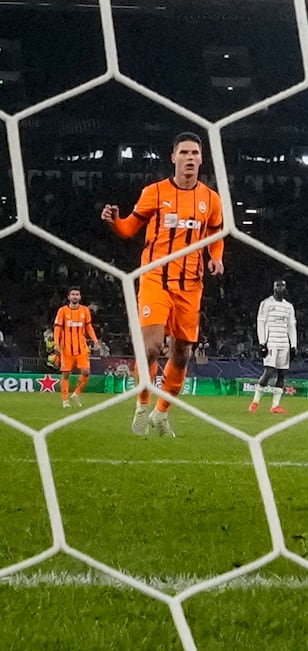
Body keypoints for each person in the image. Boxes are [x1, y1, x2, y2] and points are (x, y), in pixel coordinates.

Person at [101, 131, 225, 437]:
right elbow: (129, 229)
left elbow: (216, 233)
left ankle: (161, 413)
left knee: (181, 355)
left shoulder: (211, 199)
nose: (190, 158)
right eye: (184, 152)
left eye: (195, 153)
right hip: (155, 278)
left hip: (191, 285)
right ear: (173, 157)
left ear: (201, 159)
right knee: (152, 347)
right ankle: (143, 405)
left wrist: (216, 257)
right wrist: (114, 222)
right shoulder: (154, 192)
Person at [250, 279, 297, 414]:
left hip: (284, 343)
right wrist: (262, 343)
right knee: (269, 371)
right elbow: (261, 323)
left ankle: (275, 406)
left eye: (282, 286)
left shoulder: (289, 307)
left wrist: (293, 345)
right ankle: (255, 402)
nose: (280, 289)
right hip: (271, 342)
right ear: (274, 288)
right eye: (278, 286)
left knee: (282, 373)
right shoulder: (266, 304)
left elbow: (291, 326)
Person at [52, 287, 101, 408]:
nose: (75, 296)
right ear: (69, 297)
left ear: (80, 297)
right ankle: (65, 400)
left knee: (86, 372)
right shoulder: (62, 311)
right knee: (66, 374)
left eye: (77, 294)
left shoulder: (85, 310)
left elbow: (89, 327)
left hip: (81, 347)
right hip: (66, 348)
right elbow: (57, 328)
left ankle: (76, 393)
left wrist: (95, 340)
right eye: (72, 294)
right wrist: (56, 343)